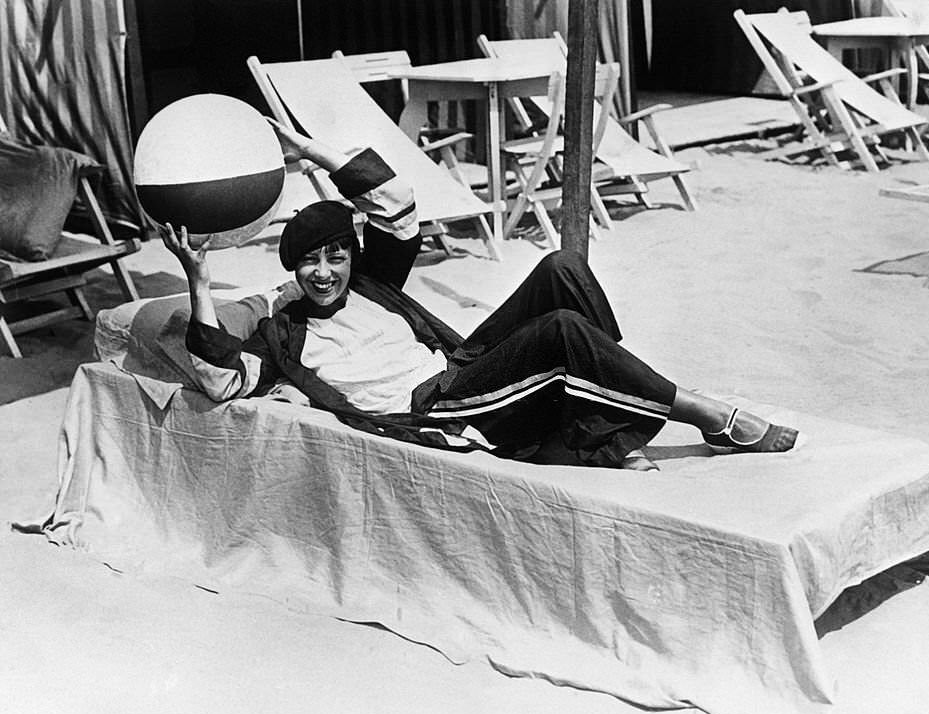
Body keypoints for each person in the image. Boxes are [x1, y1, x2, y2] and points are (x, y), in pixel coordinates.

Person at [161, 121, 798, 471]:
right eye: (308, 263)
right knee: (559, 333)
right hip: (439, 411)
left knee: (561, 268)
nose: (324, 274)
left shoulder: (375, 285)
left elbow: (398, 205)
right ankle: (712, 418)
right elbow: (220, 379)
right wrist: (197, 276)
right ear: (291, 270)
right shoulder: (283, 331)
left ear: (353, 258)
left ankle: (598, 423)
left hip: (463, 369)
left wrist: (314, 153)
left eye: (335, 256)